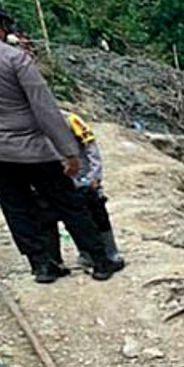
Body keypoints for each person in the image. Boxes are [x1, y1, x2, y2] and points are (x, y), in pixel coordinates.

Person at [0, 0, 123, 283]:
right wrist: (69, 152)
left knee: (16, 209)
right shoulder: (14, 58)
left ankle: (43, 266)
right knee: (68, 203)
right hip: (33, 149)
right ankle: (100, 261)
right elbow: (45, 107)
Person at [64, 111, 124, 268]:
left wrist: (94, 175)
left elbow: (91, 146)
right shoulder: (35, 122)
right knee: (74, 218)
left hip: (85, 177)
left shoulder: (71, 120)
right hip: (63, 181)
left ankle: (111, 253)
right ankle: (86, 254)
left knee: (98, 213)